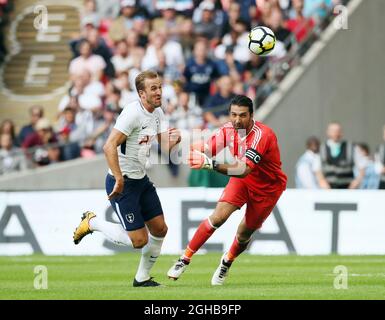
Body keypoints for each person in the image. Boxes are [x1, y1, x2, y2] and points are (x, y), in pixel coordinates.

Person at [73, 70, 181, 287]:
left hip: (141, 179)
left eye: (159, 87)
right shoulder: (132, 113)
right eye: (153, 89)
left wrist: (175, 141)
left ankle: (142, 278)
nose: (159, 92)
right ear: (142, 94)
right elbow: (108, 145)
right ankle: (92, 222)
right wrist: (120, 179)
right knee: (139, 240)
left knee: (160, 229)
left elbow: (165, 148)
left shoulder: (158, 113)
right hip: (122, 183)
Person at [167, 95, 287, 285]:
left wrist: (209, 164)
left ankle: (226, 262)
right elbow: (207, 149)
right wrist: (186, 144)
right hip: (243, 182)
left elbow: (244, 169)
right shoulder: (227, 130)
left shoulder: (262, 135)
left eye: (242, 115)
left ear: (251, 115)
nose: (237, 120)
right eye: (233, 115)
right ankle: (184, 258)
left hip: (267, 188)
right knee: (218, 217)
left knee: (243, 234)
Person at [317, 122, 362, 189]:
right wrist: (322, 182)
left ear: (341, 132)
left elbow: (362, 167)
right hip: (328, 188)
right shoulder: (321, 148)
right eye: (333, 131)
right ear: (328, 132)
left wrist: (356, 182)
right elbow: (317, 169)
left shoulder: (351, 147)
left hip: (348, 187)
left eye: (338, 131)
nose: (336, 133)